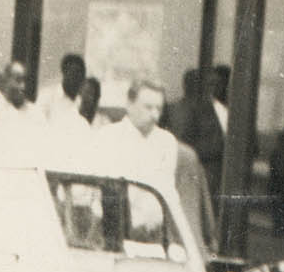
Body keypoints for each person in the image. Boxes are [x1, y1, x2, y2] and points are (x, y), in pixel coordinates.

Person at [96, 79, 178, 191]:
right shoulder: (108, 136)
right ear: (129, 105)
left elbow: (169, 192)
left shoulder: (166, 142)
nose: (155, 115)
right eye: (148, 107)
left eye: (159, 109)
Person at [168, 67, 225, 209]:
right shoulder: (206, 112)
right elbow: (215, 145)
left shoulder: (173, 107)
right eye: (209, 86)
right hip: (198, 172)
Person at [38, 54, 86, 124]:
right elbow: (38, 125)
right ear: (64, 72)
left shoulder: (81, 102)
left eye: (80, 75)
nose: (77, 80)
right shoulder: (46, 97)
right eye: (73, 74)